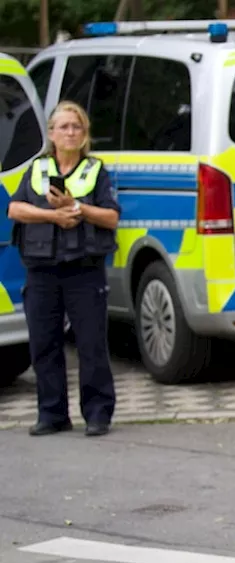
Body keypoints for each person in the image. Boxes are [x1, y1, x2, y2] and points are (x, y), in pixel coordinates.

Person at [7, 100, 119, 438]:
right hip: (41, 269)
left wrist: (77, 207)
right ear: (52, 133)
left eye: (77, 127)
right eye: (64, 126)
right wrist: (53, 215)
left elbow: (112, 217)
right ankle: (52, 414)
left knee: (90, 345)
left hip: (83, 269)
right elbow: (14, 209)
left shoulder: (95, 170)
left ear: (84, 135)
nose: (70, 132)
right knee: (44, 344)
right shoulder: (37, 169)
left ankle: (98, 414)